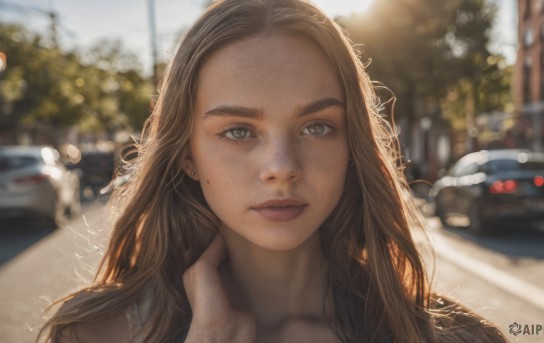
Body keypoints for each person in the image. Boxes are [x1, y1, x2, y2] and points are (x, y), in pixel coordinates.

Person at [39, 0, 508, 342]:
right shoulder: (96, 333)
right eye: (239, 131)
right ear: (186, 153)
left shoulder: (453, 337)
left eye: (318, 127)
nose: (282, 168)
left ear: (353, 144)